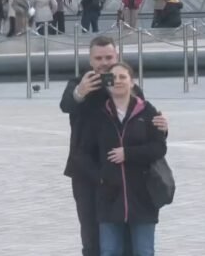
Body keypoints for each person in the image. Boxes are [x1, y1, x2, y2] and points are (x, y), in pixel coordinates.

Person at [60, 36, 168, 256]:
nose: (104, 63)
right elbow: (67, 104)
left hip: (125, 172)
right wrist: (81, 92)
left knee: (128, 237)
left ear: (116, 56)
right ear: (90, 61)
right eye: (98, 58)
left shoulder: (128, 86)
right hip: (88, 173)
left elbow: (147, 123)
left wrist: (163, 128)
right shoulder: (80, 83)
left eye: (108, 57)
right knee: (92, 237)